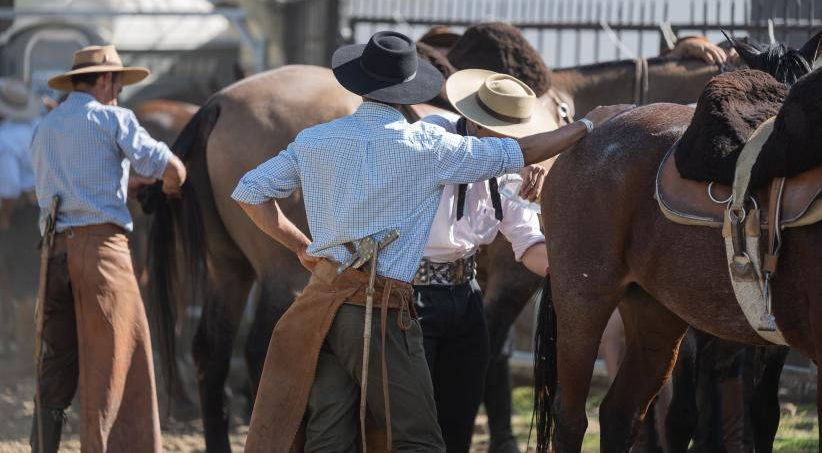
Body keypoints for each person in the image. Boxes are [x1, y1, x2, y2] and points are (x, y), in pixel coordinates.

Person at [232, 30, 631, 452]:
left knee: (329, 434)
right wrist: (587, 125)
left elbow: (248, 192)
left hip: (322, 301)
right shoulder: (427, 144)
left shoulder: (315, 140)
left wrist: (299, 245)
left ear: (359, 83)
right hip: (383, 305)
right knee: (420, 439)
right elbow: (521, 153)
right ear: (408, 92)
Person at [29, 45, 187, 452]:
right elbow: (170, 167)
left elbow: (68, 186)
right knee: (119, 365)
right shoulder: (113, 118)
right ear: (104, 81)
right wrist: (171, 187)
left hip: (53, 256)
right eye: (116, 84)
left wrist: (124, 186)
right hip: (101, 255)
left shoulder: (44, 127)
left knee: (57, 366)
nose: (117, 92)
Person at [414, 69, 552, 452]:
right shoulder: (434, 133)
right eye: (501, 133)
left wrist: (577, 272)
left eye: (515, 135)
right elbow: (461, 161)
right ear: (474, 121)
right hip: (411, 295)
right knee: (415, 422)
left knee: (459, 414)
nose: (512, 145)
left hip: (466, 295)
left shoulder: (508, 167)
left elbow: (527, 243)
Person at [0, 78, 41, 358]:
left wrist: (4, 217)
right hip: (45, 208)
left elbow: (10, 189)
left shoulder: (5, 138)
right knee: (37, 274)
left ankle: (26, 349)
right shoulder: (38, 126)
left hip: (22, 213)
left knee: (21, 278)